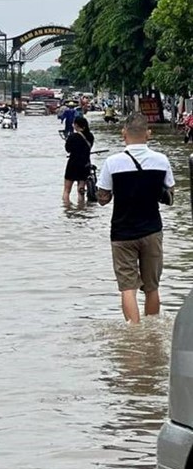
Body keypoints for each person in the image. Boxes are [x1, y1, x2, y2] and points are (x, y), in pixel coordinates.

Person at [97, 111, 175, 323]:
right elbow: (170, 196)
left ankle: (134, 334)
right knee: (152, 287)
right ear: (148, 134)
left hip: (122, 234)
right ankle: (151, 335)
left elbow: (103, 199)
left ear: (124, 133)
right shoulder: (161, 160)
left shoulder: (112, 162)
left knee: (128, 288)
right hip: (152, 231)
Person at [63, 115, 93, 203]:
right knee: (81, 191)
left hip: (73, 164)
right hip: (85, 164)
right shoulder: (90, 136)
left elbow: (68, 149)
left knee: (67, 191)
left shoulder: (72, 136)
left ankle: (67, 209)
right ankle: (81, 208)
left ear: (76, 125)